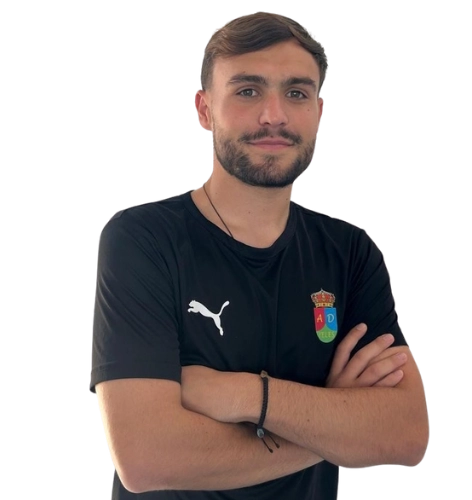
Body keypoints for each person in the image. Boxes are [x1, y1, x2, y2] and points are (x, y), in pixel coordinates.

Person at [90, 11, 429, 499]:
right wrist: (333, 419)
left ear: (319, 113)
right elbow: (147, 458)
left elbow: (406, 435)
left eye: (297, 93)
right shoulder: (144, 242)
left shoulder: (349, 253)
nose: (274, 115)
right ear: (204, 110)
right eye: (248, 91)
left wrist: (245, 395)